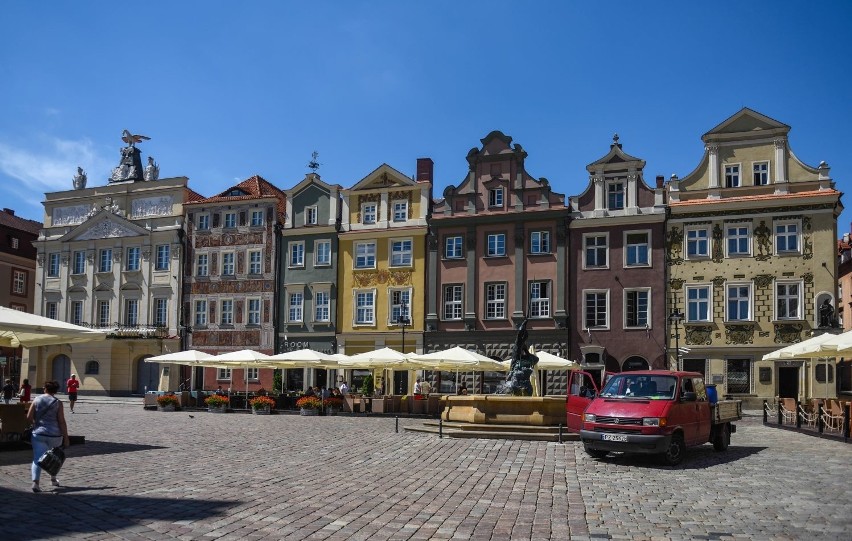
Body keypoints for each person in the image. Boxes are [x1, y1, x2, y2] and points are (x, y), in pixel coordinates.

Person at [27, 380, 70, 492]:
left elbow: (29, 416)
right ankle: (53, 479)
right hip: (55, 435)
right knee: (54, 458)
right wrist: (66, 437)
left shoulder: (37, 399)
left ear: (45, 388)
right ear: (55, 391)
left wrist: (35, 423)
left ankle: (35, 483)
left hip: (39, 433)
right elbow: (61, 421)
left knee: (37, 458)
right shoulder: (57, 402)